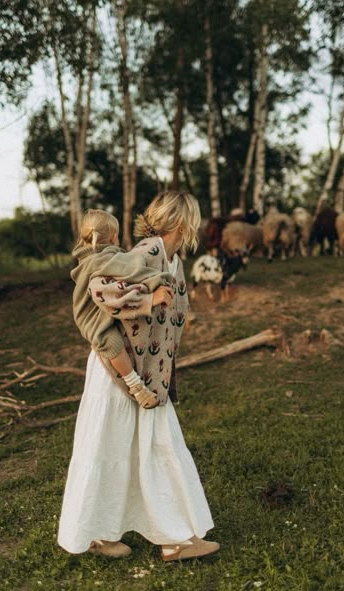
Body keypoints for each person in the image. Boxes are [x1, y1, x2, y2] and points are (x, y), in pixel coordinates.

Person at [58, 191, 219, 561]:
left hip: (146, 372)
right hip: (120, 373)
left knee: (115, 447)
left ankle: (102, 532)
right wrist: (147, 299)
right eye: (194, 219)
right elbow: (100, 286)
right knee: (147, 446)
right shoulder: (148, 252)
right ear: (183, 224)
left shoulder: (169, 257)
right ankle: (174, 538)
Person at [71, 209, 174, 409]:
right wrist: (156, 283)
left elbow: (125, 270)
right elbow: (131, 269)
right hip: (91, 318)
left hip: (99, 309)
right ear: (113, 236)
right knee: (110, 342)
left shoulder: (95, 257)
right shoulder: (102, 259)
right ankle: (136, 386)